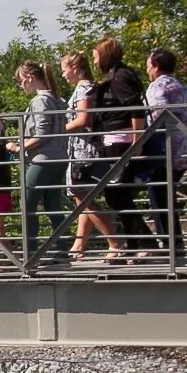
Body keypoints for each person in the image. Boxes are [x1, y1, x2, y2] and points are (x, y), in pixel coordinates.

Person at [89, 39, 149, 251]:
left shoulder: (121, 76)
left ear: (105, 55)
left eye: (96, 57)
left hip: (122, 141)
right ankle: (136, 244)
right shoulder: (116, 74)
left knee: (116, 194)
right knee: (117, 195)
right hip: (114, 139)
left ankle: (144, 241)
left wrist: (137, 140)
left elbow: (135, 108)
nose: (95, 62)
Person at [62, 49, 120, 264]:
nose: (63, 74)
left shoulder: (83, 89)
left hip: (84, 151)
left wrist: (59, 129)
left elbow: (83, 119)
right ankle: (79, 245)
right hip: (86, 149)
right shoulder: (90, 87)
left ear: (75, 69)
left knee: (84, 199)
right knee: (85, 198)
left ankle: (115, 243)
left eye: (64, 70)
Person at [142, 47, 187, 259]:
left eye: (148, 65)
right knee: (167, 195)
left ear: (155, 66)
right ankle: (175, 244)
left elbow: (157, 117)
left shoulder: (157, 87)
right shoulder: (182, 86)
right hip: (185, 146)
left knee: (159, 195)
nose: (147, 70)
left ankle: (170, 246)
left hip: (165, 147)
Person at [14, 59, 67, 254]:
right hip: (59, 158)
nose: (21, 86)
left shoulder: (40, 100)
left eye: (21, 81)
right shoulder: (57, 98)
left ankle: (31, 252)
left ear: (29, 78)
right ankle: (62, 251)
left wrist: (20, 147)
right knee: (53, 205)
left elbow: (43, 133)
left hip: (43, 159)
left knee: (27, 204)